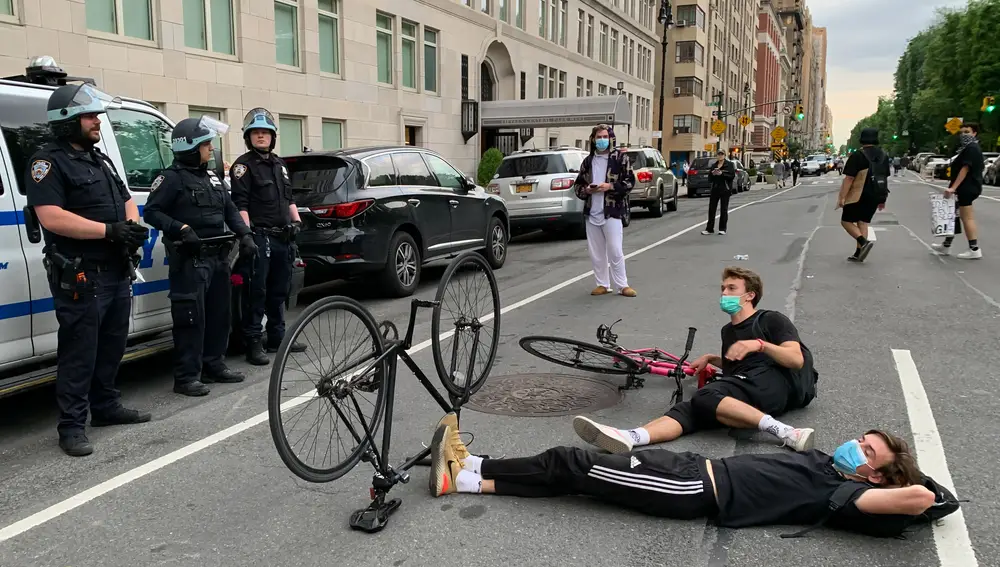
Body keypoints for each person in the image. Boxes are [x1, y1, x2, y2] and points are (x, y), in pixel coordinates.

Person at [429, 420, 941, 539]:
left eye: (867, 450)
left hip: (694, 490)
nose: (857, 445)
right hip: (691, 469)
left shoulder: (847, 493)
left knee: (574, 463)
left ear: (875, 473)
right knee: (578, 478)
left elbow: (920, 498)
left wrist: (907, 483)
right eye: (863, 439)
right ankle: (468, 480)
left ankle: (473, 463)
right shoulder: (832, 464)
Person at [25, 84, 151, 457]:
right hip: (82, 273)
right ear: (67, 121)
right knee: (80, 350)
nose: (98, 122)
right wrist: (108, 231)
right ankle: (72, 426)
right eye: (90, 116)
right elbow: (51, 216)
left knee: (112, 344)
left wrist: (131, 229)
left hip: (115, 268)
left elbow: (126, 198)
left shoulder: (100, 159)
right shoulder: (46, 162)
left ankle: (106, 407)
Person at [570, 267, 814, 455]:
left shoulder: (771, 319)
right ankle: (631, 437)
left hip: (779, 382)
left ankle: (787, 432)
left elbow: (795, 360)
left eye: (731, 288)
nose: (724, 294)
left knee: (706, 396)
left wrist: (759, 344)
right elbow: (736, 368)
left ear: (750, 295)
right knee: (692, 409)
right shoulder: (728, 332)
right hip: (751, 383)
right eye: (722, 288)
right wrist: (711, 359)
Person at [144, 117, 259, 397]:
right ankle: (186, 377)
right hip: (191, 260)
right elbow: (152, 212)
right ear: (191, 147)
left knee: (220, 315)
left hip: (218, 257)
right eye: (206, 145)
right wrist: (180, 228)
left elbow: (230, 208)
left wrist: (244, 234)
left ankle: (214, 365)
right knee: (191, 319)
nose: (211, 150)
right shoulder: (170, 179)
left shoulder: (212, 177)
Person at [230, 108, 306, 365]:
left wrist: (296, 221)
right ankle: (253, 343)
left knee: (279, 290)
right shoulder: (243, 166)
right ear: (248, 137)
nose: (261, 136)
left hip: (283, 238)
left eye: (265, 133)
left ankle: (277, 338)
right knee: (257, 292)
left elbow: (289, 198)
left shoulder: (280, 165)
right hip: (260, 237)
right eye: (256, 133)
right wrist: (246, 236)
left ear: (273, 137)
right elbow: (240, 204)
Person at [573, 124, 637, 298]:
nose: (601, 140)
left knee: (615, 249)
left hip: (612, 211)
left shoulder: (620, 159)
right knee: (596, 251)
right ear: (593, 139)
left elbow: (630, 182)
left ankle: (622, 285)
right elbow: (578, 185)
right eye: (598, 137)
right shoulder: (588, 161)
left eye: (604, 137)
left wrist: (609, 186)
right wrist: (587, 190)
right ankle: (602, 283)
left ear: (610, 138)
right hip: (592, 212)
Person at [836, 128, 889, 262]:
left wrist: (842, 197)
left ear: (862, 139)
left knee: (846, 221)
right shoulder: (883, 155)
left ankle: (863, 242)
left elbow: (849, 178)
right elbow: (884, 177)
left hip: (859, 194)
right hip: (877, 193)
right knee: (863, 222)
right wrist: (883, 198)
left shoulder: (858, 155)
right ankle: (859, 253)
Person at [932, 123, 984, 259]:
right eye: (961, 133)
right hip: (967, 186)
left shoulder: (971, 148)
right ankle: (946, 245)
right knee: (952, 215)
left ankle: (974, 249)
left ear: (974, 133)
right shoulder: (968, 148)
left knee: (967, 218)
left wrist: (953, 188)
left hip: (967, 187)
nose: (964, 135)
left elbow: (965, 169)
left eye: (967, 132)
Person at [702, 151, 735, 236]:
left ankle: (722, 228)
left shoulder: (729, 165)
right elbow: (710, 179)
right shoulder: (714, 165)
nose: (720, 156)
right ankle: (709, 229)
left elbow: (732, 176)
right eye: (718, 154)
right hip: (715, 189)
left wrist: (722, 174)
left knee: (724, 209)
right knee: (712, 209)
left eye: (722, 154)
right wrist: (713, 174)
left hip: (725, 189)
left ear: (724, 155)